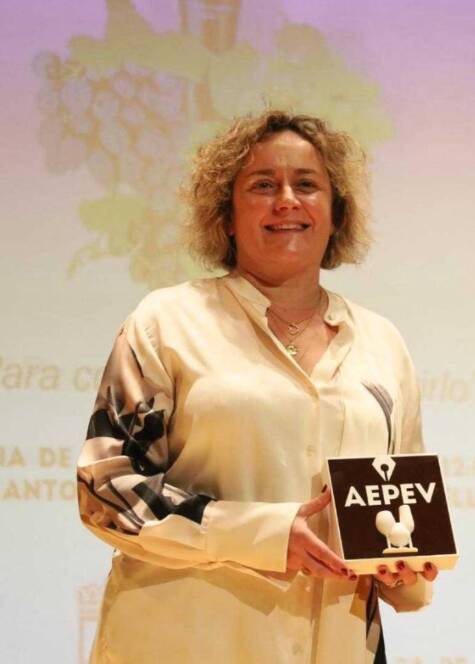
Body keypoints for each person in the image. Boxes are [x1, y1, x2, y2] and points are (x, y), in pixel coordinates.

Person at [76, 110, 437, 663]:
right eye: (263, 185)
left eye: (308, 185)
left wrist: (406, 568)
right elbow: (106, 491)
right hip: (189, 643)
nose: (287, 200)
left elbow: (402, 506)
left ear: (337, 213)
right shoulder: (166, 322)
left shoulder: (383, 343)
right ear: (226, 216)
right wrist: (263, 532)